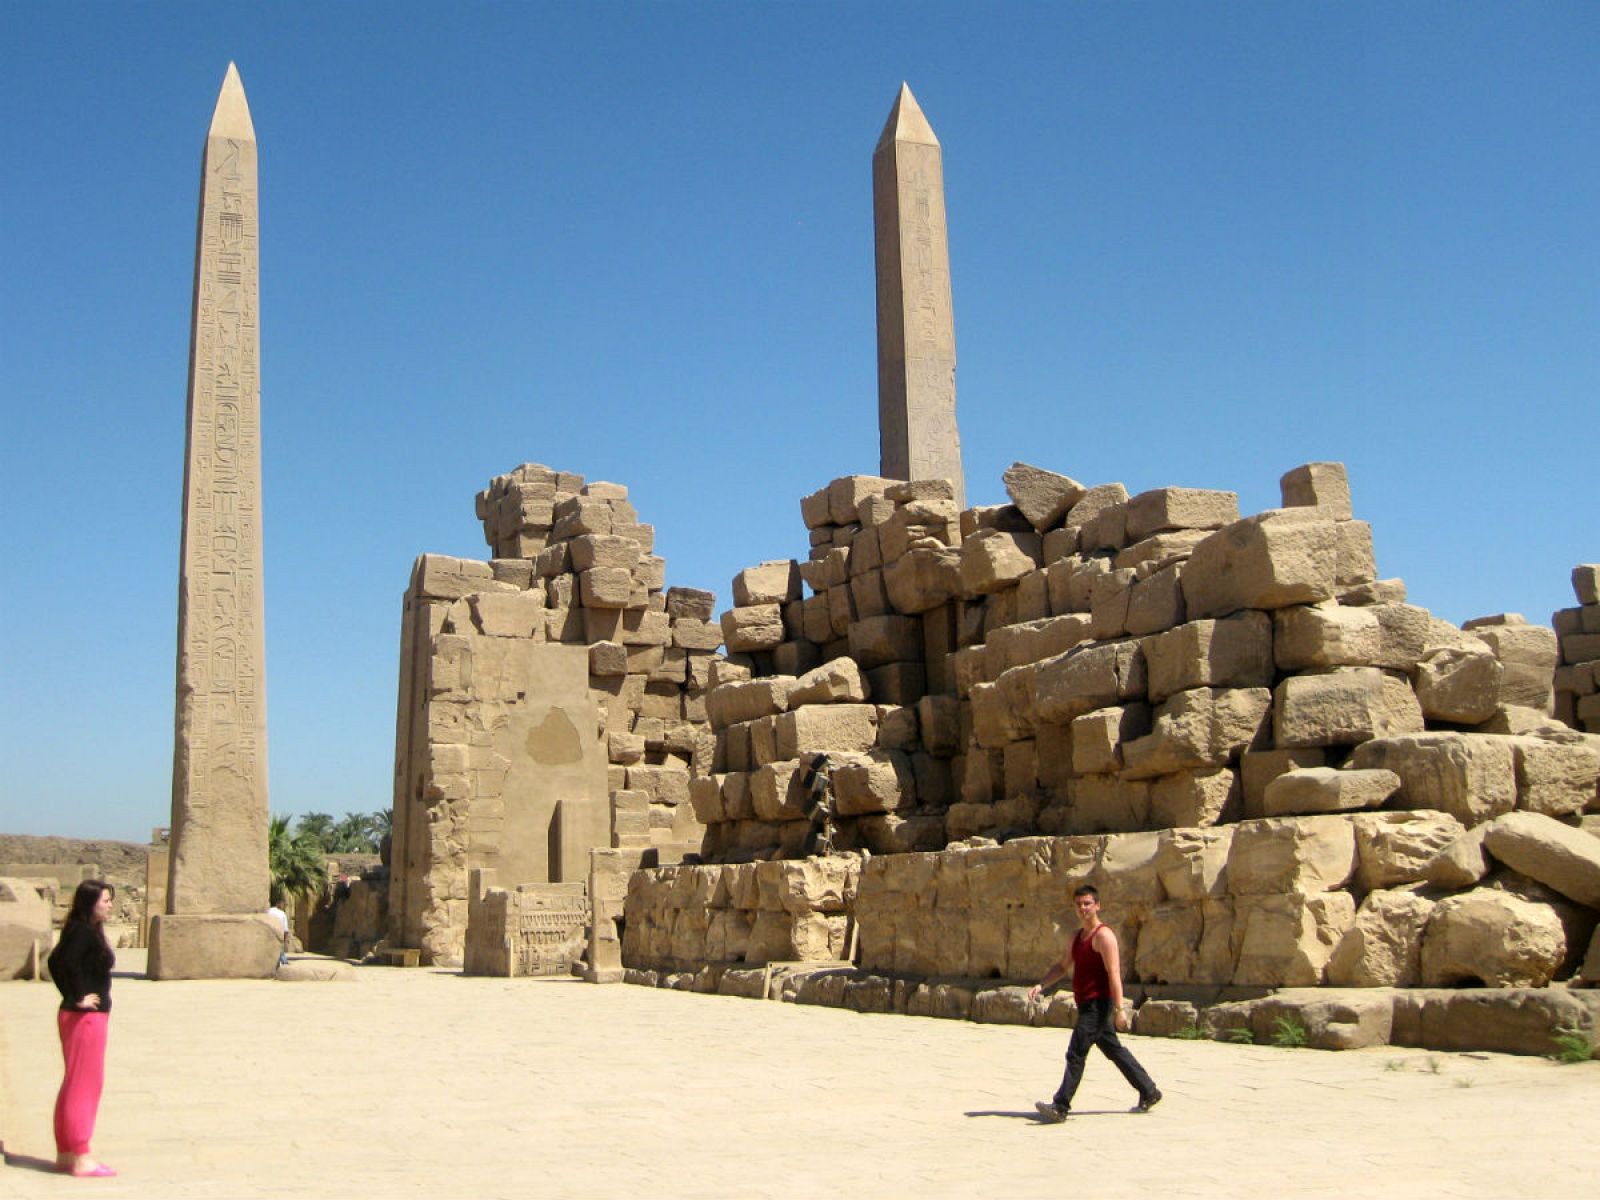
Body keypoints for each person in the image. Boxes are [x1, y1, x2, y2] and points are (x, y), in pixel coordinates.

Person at [1028, 883, 1161, 1122]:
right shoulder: (1077, 937)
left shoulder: (1104, 936)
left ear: (1097, 905)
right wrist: (1042, 984)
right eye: (1079, 904)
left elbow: (1114, 974)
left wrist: (1120, 1010)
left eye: (1087, 903)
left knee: (1076, 1052)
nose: (1083, 908)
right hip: (1085, 1004)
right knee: (1114, 1050)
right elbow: (1062, 966)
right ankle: (1149, 1090)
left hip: (1098, 1005)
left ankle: (1060, 1106)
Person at [45, 879, 118, 1177]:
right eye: (105, 901)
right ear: (90, 903)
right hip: (85, 1019)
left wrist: (71, 996)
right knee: (86, 1085)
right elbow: (62, 963)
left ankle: (66, 1152)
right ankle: (81, 1154)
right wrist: (78, 997)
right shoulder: (84, 933)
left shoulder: (80, 929)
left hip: (79, 1017)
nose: (110, 905)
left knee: (74, 1081)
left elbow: (56, 960)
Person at [266, 893, 290, 966]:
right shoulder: (282, 914)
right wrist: (285, 943)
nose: (284, 906)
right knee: (280, 956)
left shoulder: (267, 911)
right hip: (278, 938)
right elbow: (285, 931)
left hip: (268, 937)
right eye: (284, 904)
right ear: (279, 903)